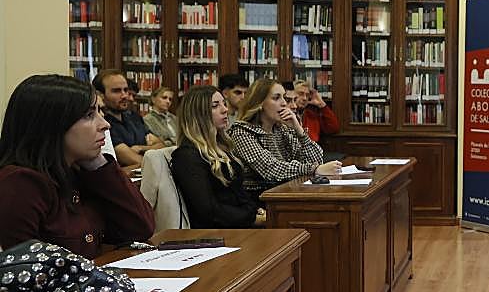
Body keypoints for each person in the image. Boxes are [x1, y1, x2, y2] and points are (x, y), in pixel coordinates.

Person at [0, 74, 155, 258]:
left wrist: (97, 163)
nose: (105, 124)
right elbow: (21, 267)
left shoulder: (78, 172)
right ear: (52, 124)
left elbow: (141, 228)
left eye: (99, 112)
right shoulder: (21, 184)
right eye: (89, 115)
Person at [229, 78, 342, 196]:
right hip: (257, 198)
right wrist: (315, 169)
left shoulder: (281, 129)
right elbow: (271, 169)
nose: (283, 103)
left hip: (284, 193)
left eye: (283, 97)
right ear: (260, 103)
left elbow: (317, 160)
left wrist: (299, 130)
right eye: (276, 98)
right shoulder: (242, 132)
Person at [171, 85, 259, 228]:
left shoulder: (222, 147)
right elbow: (209, 211)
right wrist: (251, 217)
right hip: (217, 231)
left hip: (240, 222)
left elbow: (238, 192)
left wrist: (253, 212)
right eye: (215, 106)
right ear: (198, 114)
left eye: (224, 103)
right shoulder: (187, 156)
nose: (225, 110)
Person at [93, 69, 163, 167]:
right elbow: (133, 160)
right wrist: (150, 150)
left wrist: (141, 148)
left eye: (125, 90)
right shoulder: (102, 124)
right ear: (100, 95)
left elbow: (161, 146)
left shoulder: (134, 117)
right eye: (117, 91)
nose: (125, 95)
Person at [293, 79, 340, 144]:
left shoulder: (311, 115)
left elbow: (333, 128)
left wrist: (322, 104)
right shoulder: (286, 116)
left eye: (307, 95)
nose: (305, 98)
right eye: (301, 94)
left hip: (312, 149)